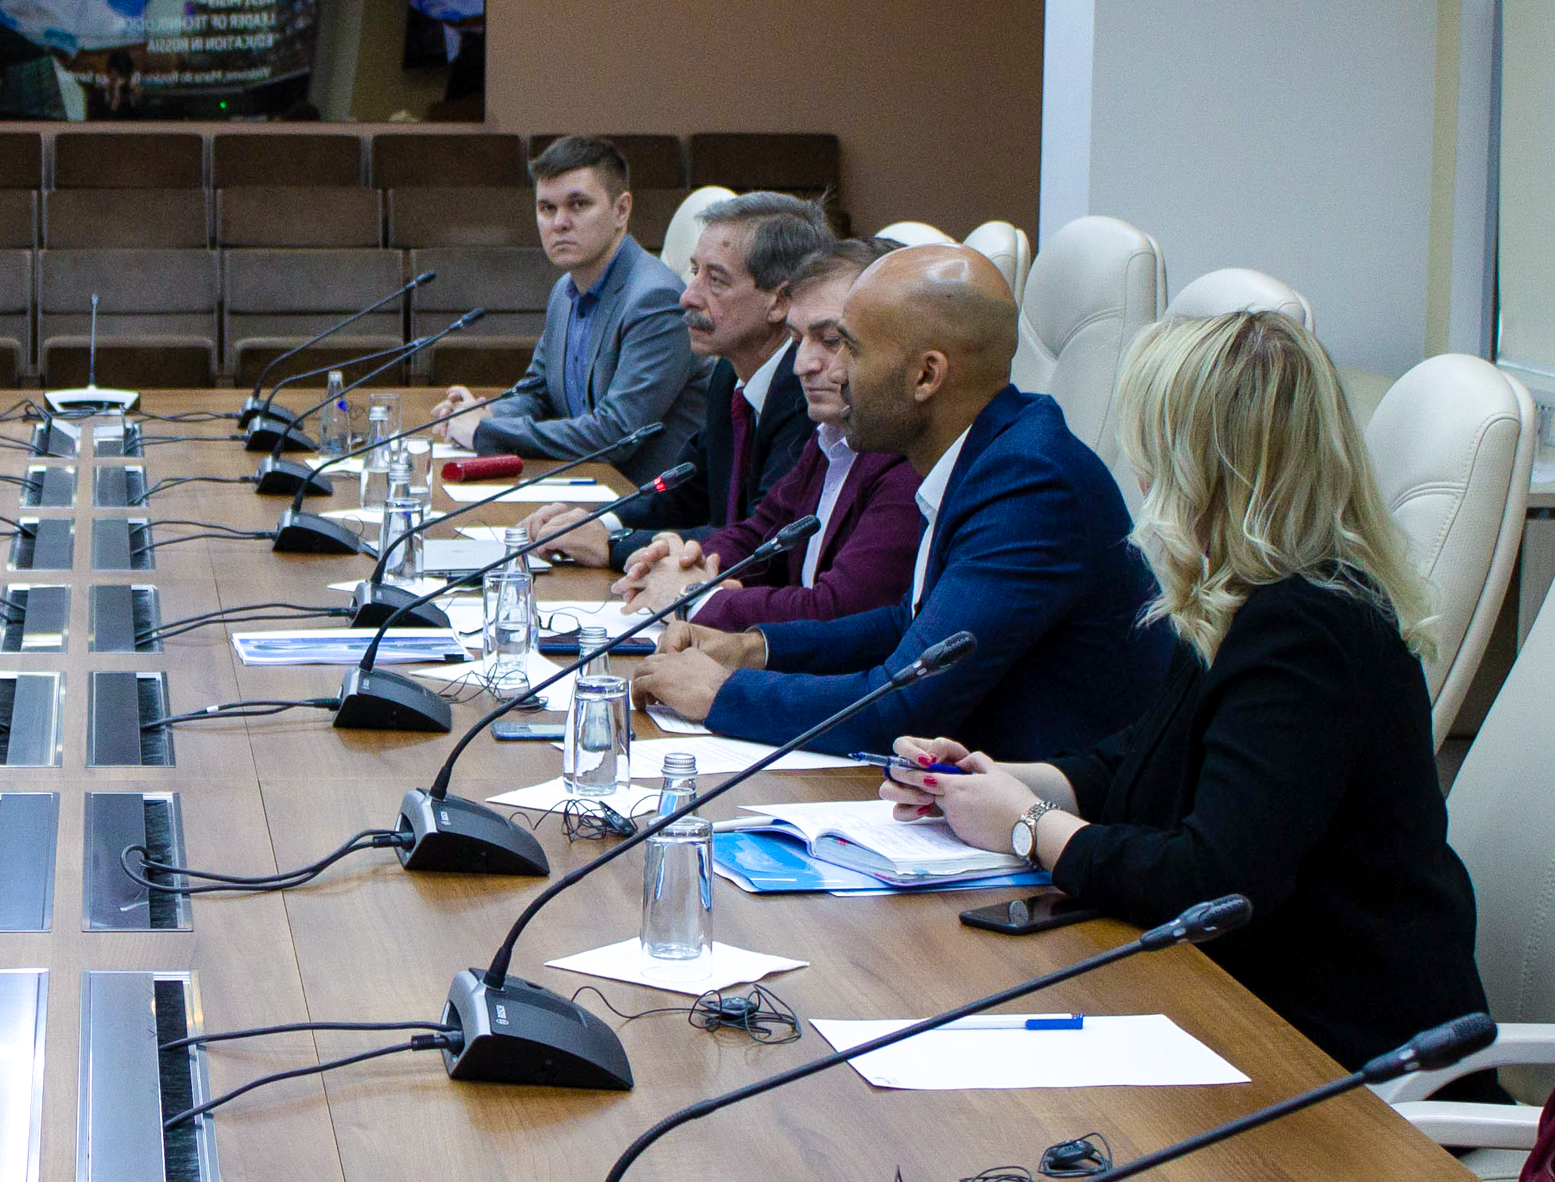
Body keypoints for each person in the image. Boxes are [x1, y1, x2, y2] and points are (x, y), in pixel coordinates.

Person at [875, 311, 1484, 1069]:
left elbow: (1212, 881)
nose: (1140, 475)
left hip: (1334, 1054)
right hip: (1242, 1007)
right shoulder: (1249, 594)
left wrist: (1027, 826)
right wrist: (986, 783)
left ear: (1199, 465)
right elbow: (1142, 758)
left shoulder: (1307, 626)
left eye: (1152, 450)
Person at [628, 242, 1167, 756]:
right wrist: (752, 648)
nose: (834, 373)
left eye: (851, 349)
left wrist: (722, 693)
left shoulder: (1028, 484)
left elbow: (905, 704)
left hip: (1052, 804)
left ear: (926, 375)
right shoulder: (982, 452)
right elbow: (908, 625)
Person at [606, 239, 924, 630]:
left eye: (832, 341)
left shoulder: (908, 459)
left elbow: (840, 609)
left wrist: (693, 598)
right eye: (797, 341)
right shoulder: (830, 436)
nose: (802, 365)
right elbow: (762, 534)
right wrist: (684, 562)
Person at [522, 191, 822, 571]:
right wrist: (597, 520)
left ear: (779, 301)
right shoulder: (729, 374)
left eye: (716, 280)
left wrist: (614, 545)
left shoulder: (805, 393)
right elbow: (681, 488)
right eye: (695, 272)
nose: (687, 297)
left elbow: (762, 542)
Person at [428, 134, 697, 483]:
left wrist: (485, 431)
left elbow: (616, 433)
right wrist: (484, 411)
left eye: (578, 205)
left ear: (621, 210)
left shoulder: (656, 298)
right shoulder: (564, 292)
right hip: (586, 484)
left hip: (647, 497)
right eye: (547, 208)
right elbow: (537, 393)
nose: (559, 223)